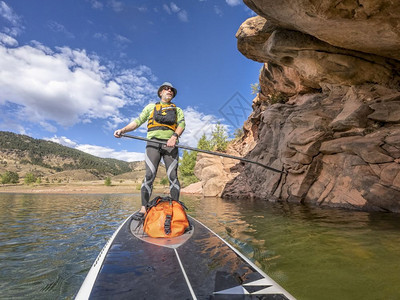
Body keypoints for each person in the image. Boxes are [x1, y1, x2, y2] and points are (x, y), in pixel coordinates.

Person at [114, 82, 185, 220]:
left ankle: (175, 207)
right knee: (149, 175)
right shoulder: (151, 107)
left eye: (171, 90)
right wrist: (123, 130)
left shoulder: (178, 110)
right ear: (160, 93)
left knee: (173, 176)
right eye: (166, 88)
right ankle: (143, 208)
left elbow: (182, 124)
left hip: (170, 144)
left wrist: (174, 137)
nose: (169, 90)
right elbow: (138, 121)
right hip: (153, 143)